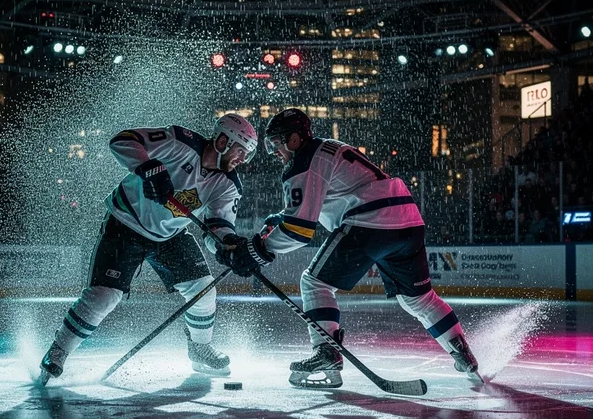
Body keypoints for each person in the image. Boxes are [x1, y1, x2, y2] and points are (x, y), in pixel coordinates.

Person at [218, 108, 480, 389]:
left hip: (370, 222)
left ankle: (326, 352)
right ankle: (462, 353)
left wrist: (257, 251)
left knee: (314, 282)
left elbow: (299, 231)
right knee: (419, 299)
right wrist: (278, 220)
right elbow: (321, 201)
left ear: (294, 139)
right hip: (408, 220)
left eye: (276, 144)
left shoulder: (301, 162)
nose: (274, 152)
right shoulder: (329, 147)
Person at [39, 113, 258, 384]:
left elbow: (217, 227)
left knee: (204, 291)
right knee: (103, 297)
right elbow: (122, 141)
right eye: (241, 151)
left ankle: (200, 348)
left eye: (247, 154)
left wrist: (228, 248)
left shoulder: (228, 185)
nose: (243, 159)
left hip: (171, 234)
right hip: (125, 223)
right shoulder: (180, 142)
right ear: (223, 140)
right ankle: (58, 351)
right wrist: (150, 168)